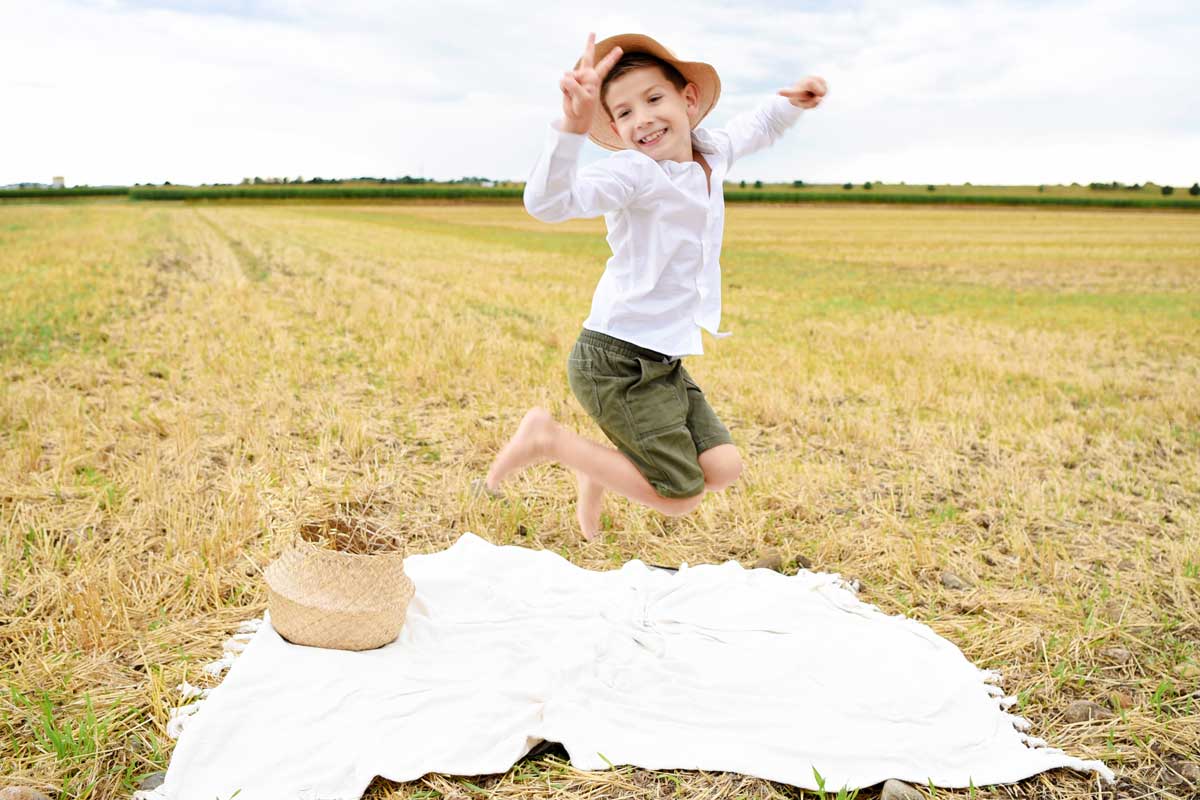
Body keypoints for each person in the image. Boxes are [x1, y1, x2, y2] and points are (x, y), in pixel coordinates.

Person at [485, 32, 827, 540]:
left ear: (688, 100)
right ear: (616, 128)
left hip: (663, 356)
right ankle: (547, 439)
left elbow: (758, 127)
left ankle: (594, 465)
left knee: (725, 467)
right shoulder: (632, 174)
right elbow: (548, 204)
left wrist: (791, 101)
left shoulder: (713, 151)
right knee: (679, 494)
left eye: (653, 99)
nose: (641, 118)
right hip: (616, 361)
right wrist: (571, 128)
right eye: (623, 112)